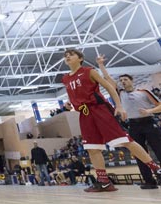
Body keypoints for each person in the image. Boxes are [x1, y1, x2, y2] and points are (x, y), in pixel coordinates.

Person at [61, 48, 161, 192]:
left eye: (71, 54)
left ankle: (156, 168)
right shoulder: (65, 78)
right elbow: (74, 92)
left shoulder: (89, 71)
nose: (67, 57)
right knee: (92, 149)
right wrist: (70, 103)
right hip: (84, 113)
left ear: (80, 58)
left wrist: (119, 105)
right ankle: (104, 182)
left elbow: (109, 86)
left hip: (99, 109)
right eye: (65, 56)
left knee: (125, 141)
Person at [97, 55, 161, 189]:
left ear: (132, 80)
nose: (123, 82)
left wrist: (149, 111)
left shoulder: (144, 92)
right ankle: (149, 181)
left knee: (158, 150)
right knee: (139, 154)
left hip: (148, 123)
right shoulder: (120, 93)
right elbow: (108, 80)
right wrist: (101, 65)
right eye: (121, 80)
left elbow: (159, 105)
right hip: (133, 125)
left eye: (125, 79)